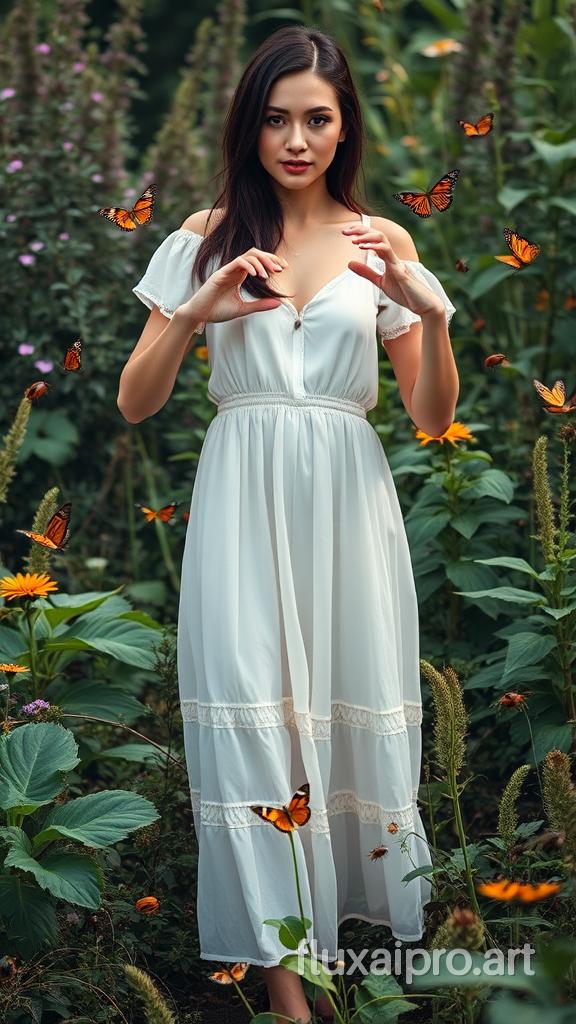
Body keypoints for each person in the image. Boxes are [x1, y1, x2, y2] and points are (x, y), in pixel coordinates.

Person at [118, 24, 458, 1024]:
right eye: (276, 118)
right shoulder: (205, 234)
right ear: (248, 125)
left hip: (346, 503)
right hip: (240, 496)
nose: (295, 139)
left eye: (316, 117)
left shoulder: (378, 243)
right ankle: (289, 993)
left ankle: (356, 957)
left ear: (345, 124)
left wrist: (432, 317)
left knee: (341, 719)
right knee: (254, 718)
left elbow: (433, 418)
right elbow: (137, 400)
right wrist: (195, 314)